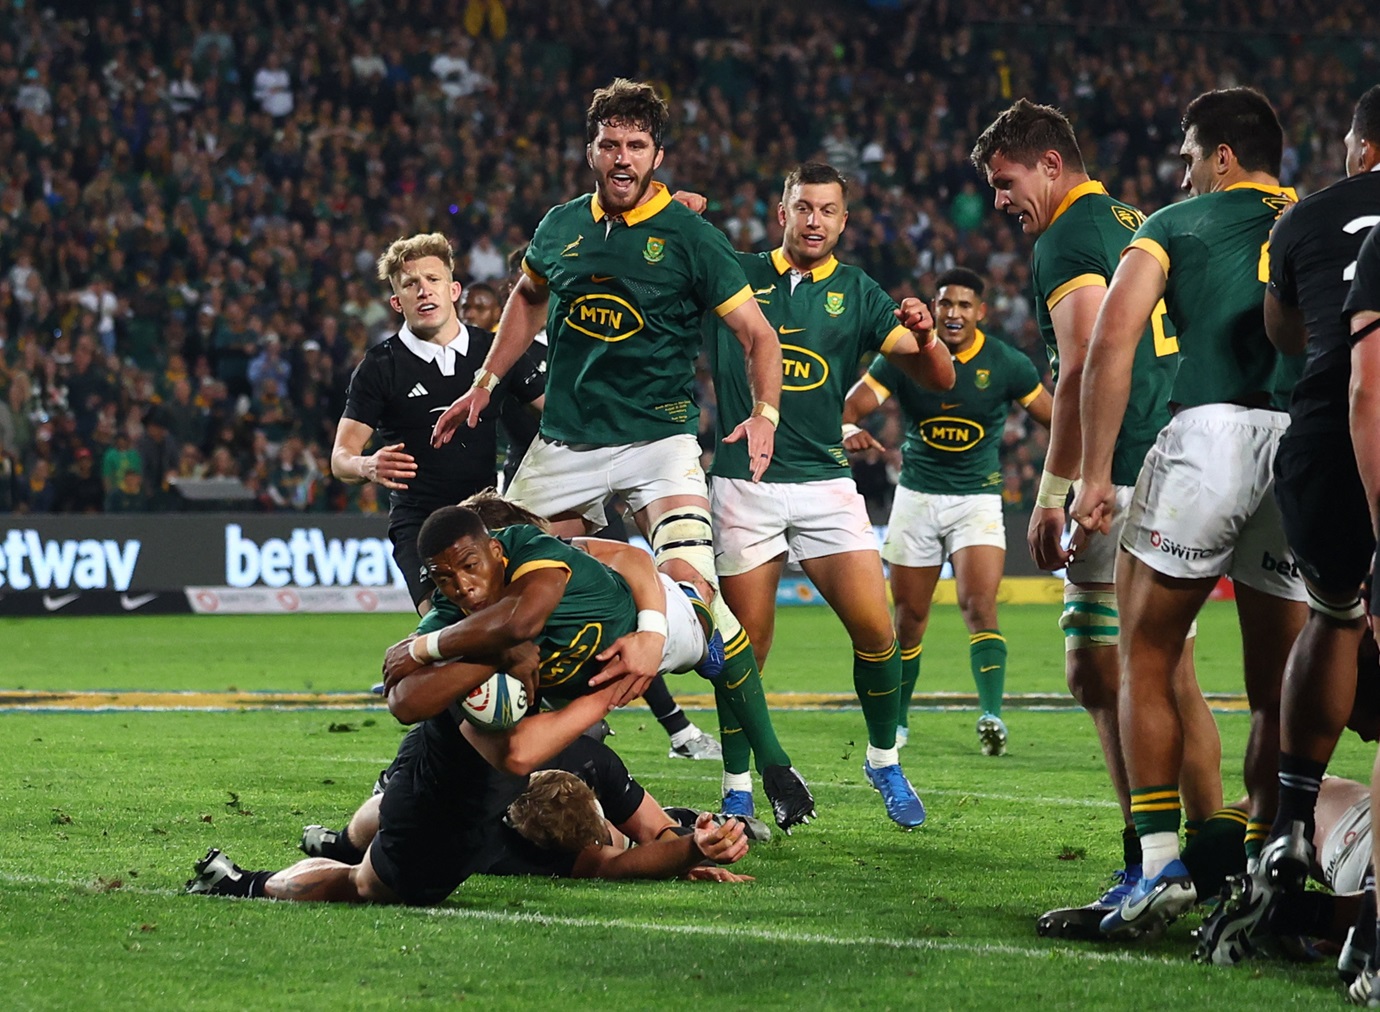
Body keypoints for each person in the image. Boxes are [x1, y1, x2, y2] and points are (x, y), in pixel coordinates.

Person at [429, 78, 813, 829]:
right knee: (483, 577)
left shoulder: (693, 239)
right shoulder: (560, 227)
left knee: (703, 612)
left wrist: (766, 413)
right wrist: (484, 381)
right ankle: (438, 755)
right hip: (564, 444)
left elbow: (759, 339)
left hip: (660, 447)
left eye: (636, 144)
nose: (622, 156)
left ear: (657, 154)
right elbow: (528, 298)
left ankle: (769, 764)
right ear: (590, 151)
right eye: (610, 143)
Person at [186, 503, 750, 905]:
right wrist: (505, 661)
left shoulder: (535, 561)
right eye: (444, 577)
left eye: (471, 565)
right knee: (372, 887)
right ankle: (249, 883)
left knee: (384, 838)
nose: (461, 585)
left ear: (499, 550)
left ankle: (339, 838)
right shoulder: (577, 759)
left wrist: (650, 637)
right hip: (456, 785)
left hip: (498, 770)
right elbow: (495, 743)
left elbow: (622, 562)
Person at [970, 98, 1221, 937]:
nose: (1000, 201)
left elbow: (1079, 365)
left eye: (1006, 181)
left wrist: (1058, 485)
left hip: (1124, 462)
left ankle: (1148, 862)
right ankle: (1209, 867)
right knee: (1166, 668)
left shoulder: (1070, 236)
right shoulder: (1133, 218)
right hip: (1175, 450)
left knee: (1103, 663)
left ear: (1049, 163)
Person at [1071, 87, 1308, 936]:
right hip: (1300, 443)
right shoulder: (1318, 216)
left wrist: (1094, 473)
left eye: (1186, 154)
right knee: (1279, 685)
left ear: (1220, 156)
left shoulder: (1174, 223)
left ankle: (1162, 865)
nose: (1181, 171)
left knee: (1146, 650)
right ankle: (1267, 864)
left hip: (1207, 435)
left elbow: (1111, 340)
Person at [705, 162, 953, 827]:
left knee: (878, 633)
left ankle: (883, 758)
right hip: (743, 484)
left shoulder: (861, 293)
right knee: (743, 651)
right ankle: (736, 786)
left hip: (825, 484)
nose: (814, 220)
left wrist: (927, 336)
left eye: (828, 210)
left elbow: (939, 376)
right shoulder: (735, 274)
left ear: (844, 220)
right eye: (803, 207)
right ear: (780, 211)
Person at [1195, 86, 1380, 959]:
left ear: (1362, 146)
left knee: (1335, 614)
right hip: (1361, 422)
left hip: (1320, 439)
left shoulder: (1304, 220)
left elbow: (1285, 335)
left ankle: (1292, 824)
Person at [842, 267, 1051, 759]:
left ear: (981, 311)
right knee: (909, 619)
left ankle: (992, 715)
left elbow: (1058, 417)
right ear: (933, 309)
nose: (953, 313)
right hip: (916, 499)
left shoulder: (1007, 363)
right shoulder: (904, 357)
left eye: (963, 305)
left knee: (980, 607)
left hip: (976, 500)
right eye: (945, 304)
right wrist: (847, 428)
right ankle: (898, 721)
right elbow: (852, 407)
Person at [331, 233, 545, 613]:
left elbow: (556, 412)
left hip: (485, 519)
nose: (424, 291)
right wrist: (366, 464)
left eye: (433, 280)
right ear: (397, 302)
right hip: (420, 524)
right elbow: (340, 458)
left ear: (453, 289)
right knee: (445, 624)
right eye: (411, 284)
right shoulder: (380, 367)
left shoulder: (494, 350)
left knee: (515, 625)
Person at [298, 728, 769, 881]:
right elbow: (613, 863)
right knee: (387, 817)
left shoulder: (588, 760)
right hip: (432, 764)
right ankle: (341, 843)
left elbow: (650, 838)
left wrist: (689, 848)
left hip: (525, 743)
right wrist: (685, 855)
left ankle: (686, 816)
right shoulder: (491, 837)